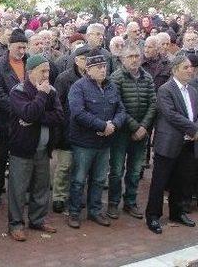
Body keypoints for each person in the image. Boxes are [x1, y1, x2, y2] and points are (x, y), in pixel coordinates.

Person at [7, 54, 63, 241]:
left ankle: (37, 220)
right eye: (43, 71)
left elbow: (58, 117)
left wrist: (35, 118)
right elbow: (27, 113)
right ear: (31, 72)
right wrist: (41, 96)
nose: (47, 74)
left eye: (48, 70)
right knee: (18, 189)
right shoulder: (19, 91)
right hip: (22, 149)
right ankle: (15, 224)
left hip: (42, 149)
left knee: (41, 187)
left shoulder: (52, 90)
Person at [67, 52, 126, 228]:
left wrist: (113, 125)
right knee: (78, 179)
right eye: (98, 67)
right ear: (88, 69)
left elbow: (121, 110)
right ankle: (74, 212)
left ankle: (95, 210)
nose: (103, 70)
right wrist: (102, 126)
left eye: (105, 67)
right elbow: (78, 113)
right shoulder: (79, 87)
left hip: (104, 143)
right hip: (84, 143)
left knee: (100, 179)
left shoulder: (111, 86)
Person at [145, 55, 198, 234]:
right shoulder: (165, 89)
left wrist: (194, 130)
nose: (190, 70)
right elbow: (171, 115)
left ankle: (177, 212)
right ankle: (153, 216)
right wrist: (193, 129)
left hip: (189, 144)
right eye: (186, 67)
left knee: (182, 181)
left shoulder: (192, 90)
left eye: (191, 67)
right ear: (175, 70)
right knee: (160, 182)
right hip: (169, 142)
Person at [107, 44, 156, 220]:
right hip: (121, 133)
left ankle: (130, 201)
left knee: (135, 170)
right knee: (116, 170)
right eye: (130, 56)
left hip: (142, 133)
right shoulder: (116, 77)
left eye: (137, 56)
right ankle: (113, 203)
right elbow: (117, 105)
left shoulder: (147, 77)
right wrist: (135, 126)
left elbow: (153, 103)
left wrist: (143, 127)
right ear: (122, 59)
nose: (135, 59)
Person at [0, 28, 28, 207]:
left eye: (24, 48)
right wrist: (20, 109)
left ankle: (21, 191)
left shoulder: (29, 63)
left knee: (23, 157)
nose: (22, 51)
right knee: (0, 156)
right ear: (10, 45)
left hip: (27, 120)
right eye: (19, 47)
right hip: (6, 120)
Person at [51, 45, 89, 213]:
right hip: (67, 128)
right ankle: (59, 196)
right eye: (83, 58)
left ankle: (77, 195)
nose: (86, 62)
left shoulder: (94, 78)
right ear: (76, 60)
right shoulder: (64, 78)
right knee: (64, 165)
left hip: (87, 130)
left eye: (89, 59)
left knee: (81, 167)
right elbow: (57, 104)